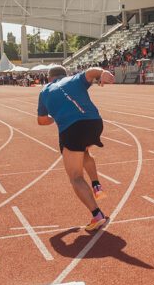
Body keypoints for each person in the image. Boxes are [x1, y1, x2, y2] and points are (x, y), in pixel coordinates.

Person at [36, 65, 115, 232]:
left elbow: (41, 120)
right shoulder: (74, 79)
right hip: (95, 123)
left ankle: (97, 214)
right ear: (65, 75)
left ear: (50, 78)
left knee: (75, 177)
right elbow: (91, 71)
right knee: (83, 151)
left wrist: (54, 117)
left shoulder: (44, 91)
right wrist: (103, 73)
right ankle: (96, 184)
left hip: (72, 130)